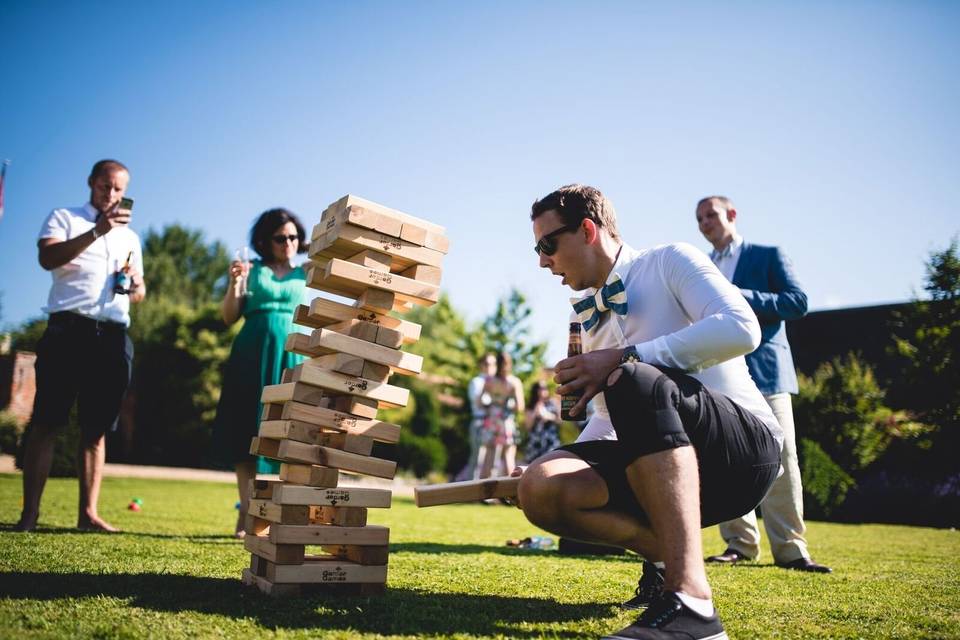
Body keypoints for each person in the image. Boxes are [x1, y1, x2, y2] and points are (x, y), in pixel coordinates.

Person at [517, 184, 782, 640]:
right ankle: (665, 565)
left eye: (547, 245)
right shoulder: (583, 316)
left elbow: (743, 329)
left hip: (743, 455)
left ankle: (694, 609)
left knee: (632, 377)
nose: (542, 260)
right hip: (660, 471)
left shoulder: (670, 260)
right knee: (541, 485)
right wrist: (555, 467)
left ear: (587, 230)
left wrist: (627, 357)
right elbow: (606, 417)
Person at [695, 195, 831, 573]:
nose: (705, 223)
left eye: (712, 215)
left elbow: (797, 302)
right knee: (724, 457)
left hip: (767, 371)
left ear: (732, 215)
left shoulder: (768, 255)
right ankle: (739, 544)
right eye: (700, 218)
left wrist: (742, 297)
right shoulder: (700, 268)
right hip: (720, 374)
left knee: (783, 459)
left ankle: (791, 550)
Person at [16, 159, 145, 532]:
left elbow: (140, 293)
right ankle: (30, 515)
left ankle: (88, 514)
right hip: (68, 331)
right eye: (106, 186)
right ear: (91, 183)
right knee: (47, 421)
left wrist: (136, 284)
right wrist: (95, 232)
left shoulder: (130, 237)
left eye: (119, 188)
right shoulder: (64, 217)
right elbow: (47, 258)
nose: (112, 194)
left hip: (114, 335)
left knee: (97, 428)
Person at [211, 208, 308, 538]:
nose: (288, 243)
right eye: (281, 238)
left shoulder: (307, 273)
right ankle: (248, 512)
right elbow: (228, 317)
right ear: (265, 241)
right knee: (247, 432)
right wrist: (235, 284)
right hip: (252, 352)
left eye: (294, 237)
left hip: (292, 355)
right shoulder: (250, 270)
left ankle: (276, 516)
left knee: (287, 434)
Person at [475, 352, 524, 480]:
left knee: (489, 456)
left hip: (492, 419)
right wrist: (507, 405)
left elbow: (479, 402)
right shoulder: (514, 382)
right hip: (505, 420)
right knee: (508, 455)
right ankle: (511, 492)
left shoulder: (489, 381)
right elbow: (520, 407)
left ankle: (484, 491)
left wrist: (491, 405)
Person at [454, 353, 497, 481]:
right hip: (480, 422)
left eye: (494, 364)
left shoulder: (498, 382)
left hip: (495, 423)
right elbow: (478, 403)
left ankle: (489, 494)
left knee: (493, 460)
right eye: (487, 364)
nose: (491, 367)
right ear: (481, 365)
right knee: (478, 458)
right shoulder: (476, 382)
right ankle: (473, 490)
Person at [523, 381, 561, 463]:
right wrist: (535, 414)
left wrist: (548, 416)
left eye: (545, 388)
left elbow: (560, 421)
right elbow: (528, 427)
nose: (543, 391)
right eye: (540, 389)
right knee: (533, 466)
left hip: (551, 441)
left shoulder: (553, 402)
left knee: (551, 464)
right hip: (535, 442)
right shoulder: (531, 406)